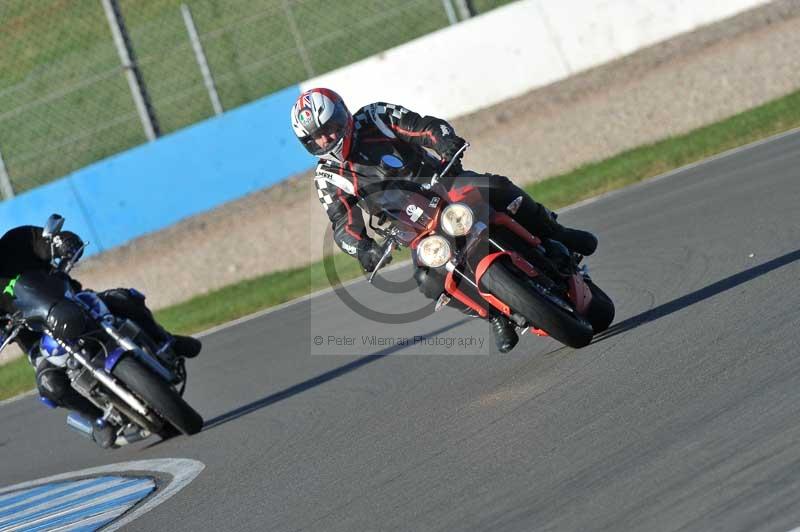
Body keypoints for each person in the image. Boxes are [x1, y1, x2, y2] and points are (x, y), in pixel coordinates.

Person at [290, 88, 598, 353]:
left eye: (330, 127)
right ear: (309, 145)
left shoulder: (374, 117)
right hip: (413, 227)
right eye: (317, 137)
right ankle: (495, 315)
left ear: (343, 115)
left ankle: (558, 232)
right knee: (428, 281)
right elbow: (342, 223)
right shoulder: (327, 177)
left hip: (445, 182)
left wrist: (443, 141)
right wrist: (363, 248)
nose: (327, 138)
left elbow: (422, 126)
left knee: (498, 187)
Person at [0, 225, 202, 447]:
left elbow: (47, 241)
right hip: (37, 339)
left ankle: (167, 341)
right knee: (50, 384)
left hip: (73, 302)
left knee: (124, 298)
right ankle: (97, 420)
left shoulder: (17, 240)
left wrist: (63, 242)